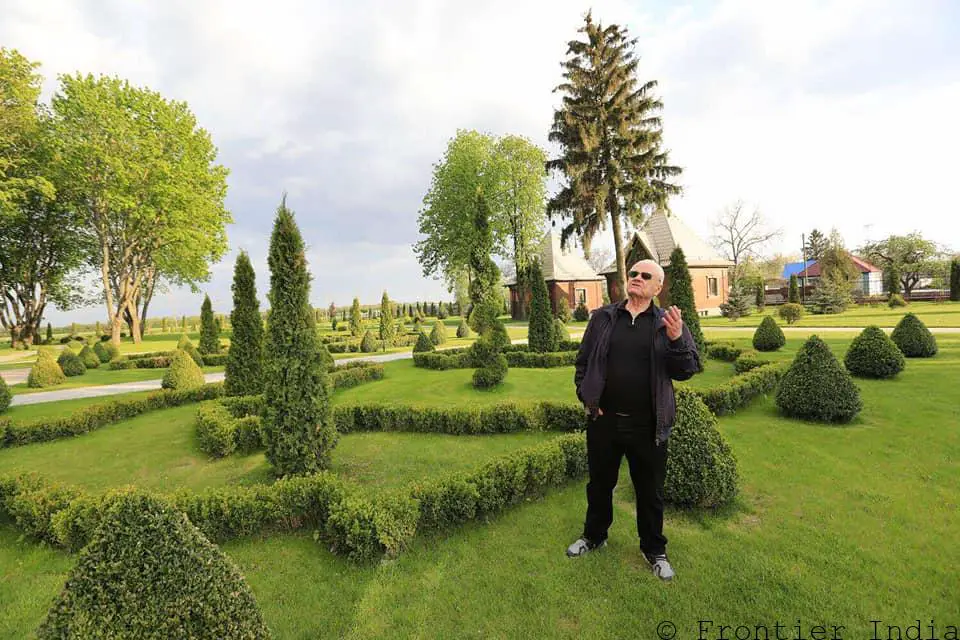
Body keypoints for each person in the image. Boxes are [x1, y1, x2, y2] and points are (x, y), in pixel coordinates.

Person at [566, 259, 701, 581]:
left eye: (646, 276)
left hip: (649, 426)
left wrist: (677, 338)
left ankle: (654, 549)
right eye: (633, 274)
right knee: (599, 485)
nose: (637, 278)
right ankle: (594, 536)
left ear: (657, 288)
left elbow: (687, 370)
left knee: (650, 491)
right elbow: (583, 363)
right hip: (605, 423)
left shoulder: (666, 321)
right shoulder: (603, 318)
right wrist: (587, 398)